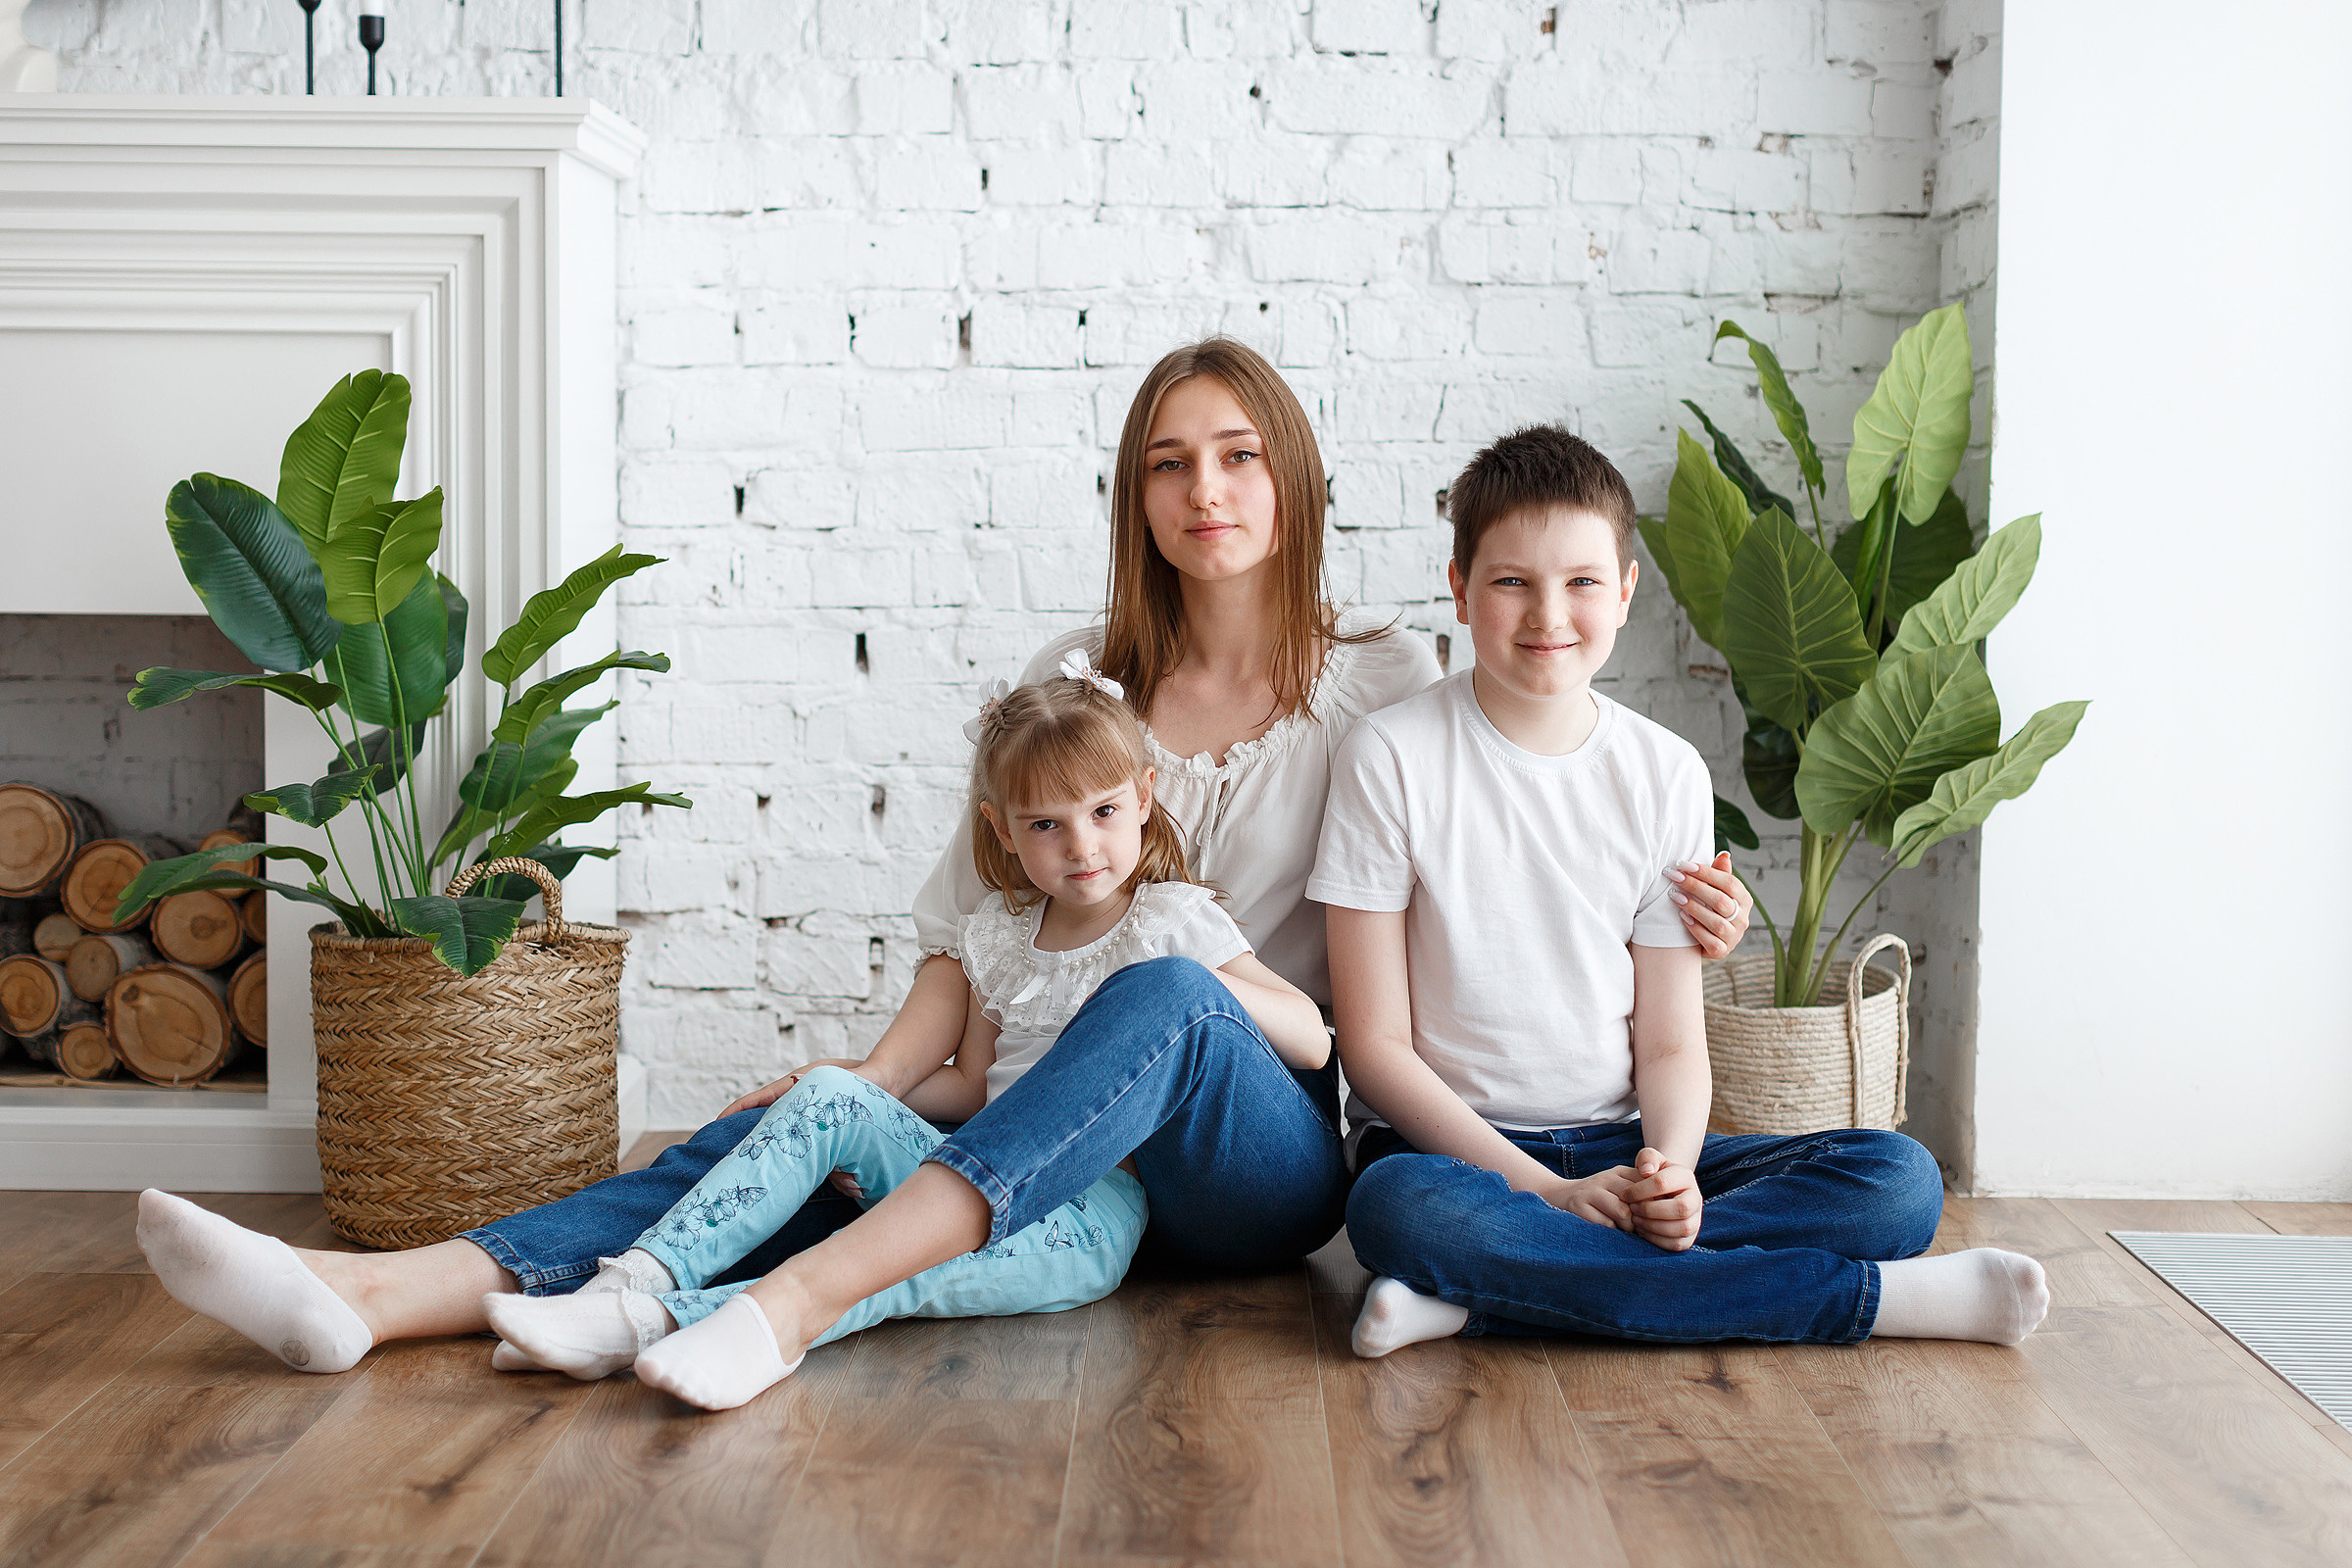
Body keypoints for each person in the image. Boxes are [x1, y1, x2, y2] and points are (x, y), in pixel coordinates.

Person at [130, 338, 1757, 1378]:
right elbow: (971, 929)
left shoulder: (1393, 684)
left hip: (1254, 1149)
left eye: (1240, 454)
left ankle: (799, 1302)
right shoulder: (1083, 686)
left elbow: (1550, 804)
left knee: (1179, 989)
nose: (1207, 489)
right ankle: (387, 1293)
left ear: (1294, 479)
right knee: (798, 1128)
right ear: (1137, 497)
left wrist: (1701, 904)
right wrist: (867, 1076)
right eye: (1171, 463)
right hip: (1059, 1125)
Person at [1314, 423, 2050, 1357]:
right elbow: (1375, 1049)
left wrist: (1672, 1171)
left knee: (1897, 1179)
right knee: (1396, 1211)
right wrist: (1545, 1194)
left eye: (1582, 581)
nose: (1549, 613)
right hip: (1453, 1158)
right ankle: (1868, 1303)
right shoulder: (1389, 758)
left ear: (1624, 592)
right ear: (1460, 591)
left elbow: (1667, 1039)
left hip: (1622, 1141)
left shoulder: (1664, 772)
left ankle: (1481, 1296)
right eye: (1511, 582)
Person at [460, 665, 1327, 1408]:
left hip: (1087, 1218)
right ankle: (633, 1283)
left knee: (890, 1274)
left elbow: (1312, 1041)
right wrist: (840, 1089)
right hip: (978, 1162)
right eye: (1046, 825)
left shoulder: (1172, 921)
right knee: (839, 1096)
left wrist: (1185, 991)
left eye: (1103, 811)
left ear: (1143, 796)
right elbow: (970, 1087)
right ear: (1002, 829)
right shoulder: (999, 936)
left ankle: (661, 1326)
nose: (1082, 846)